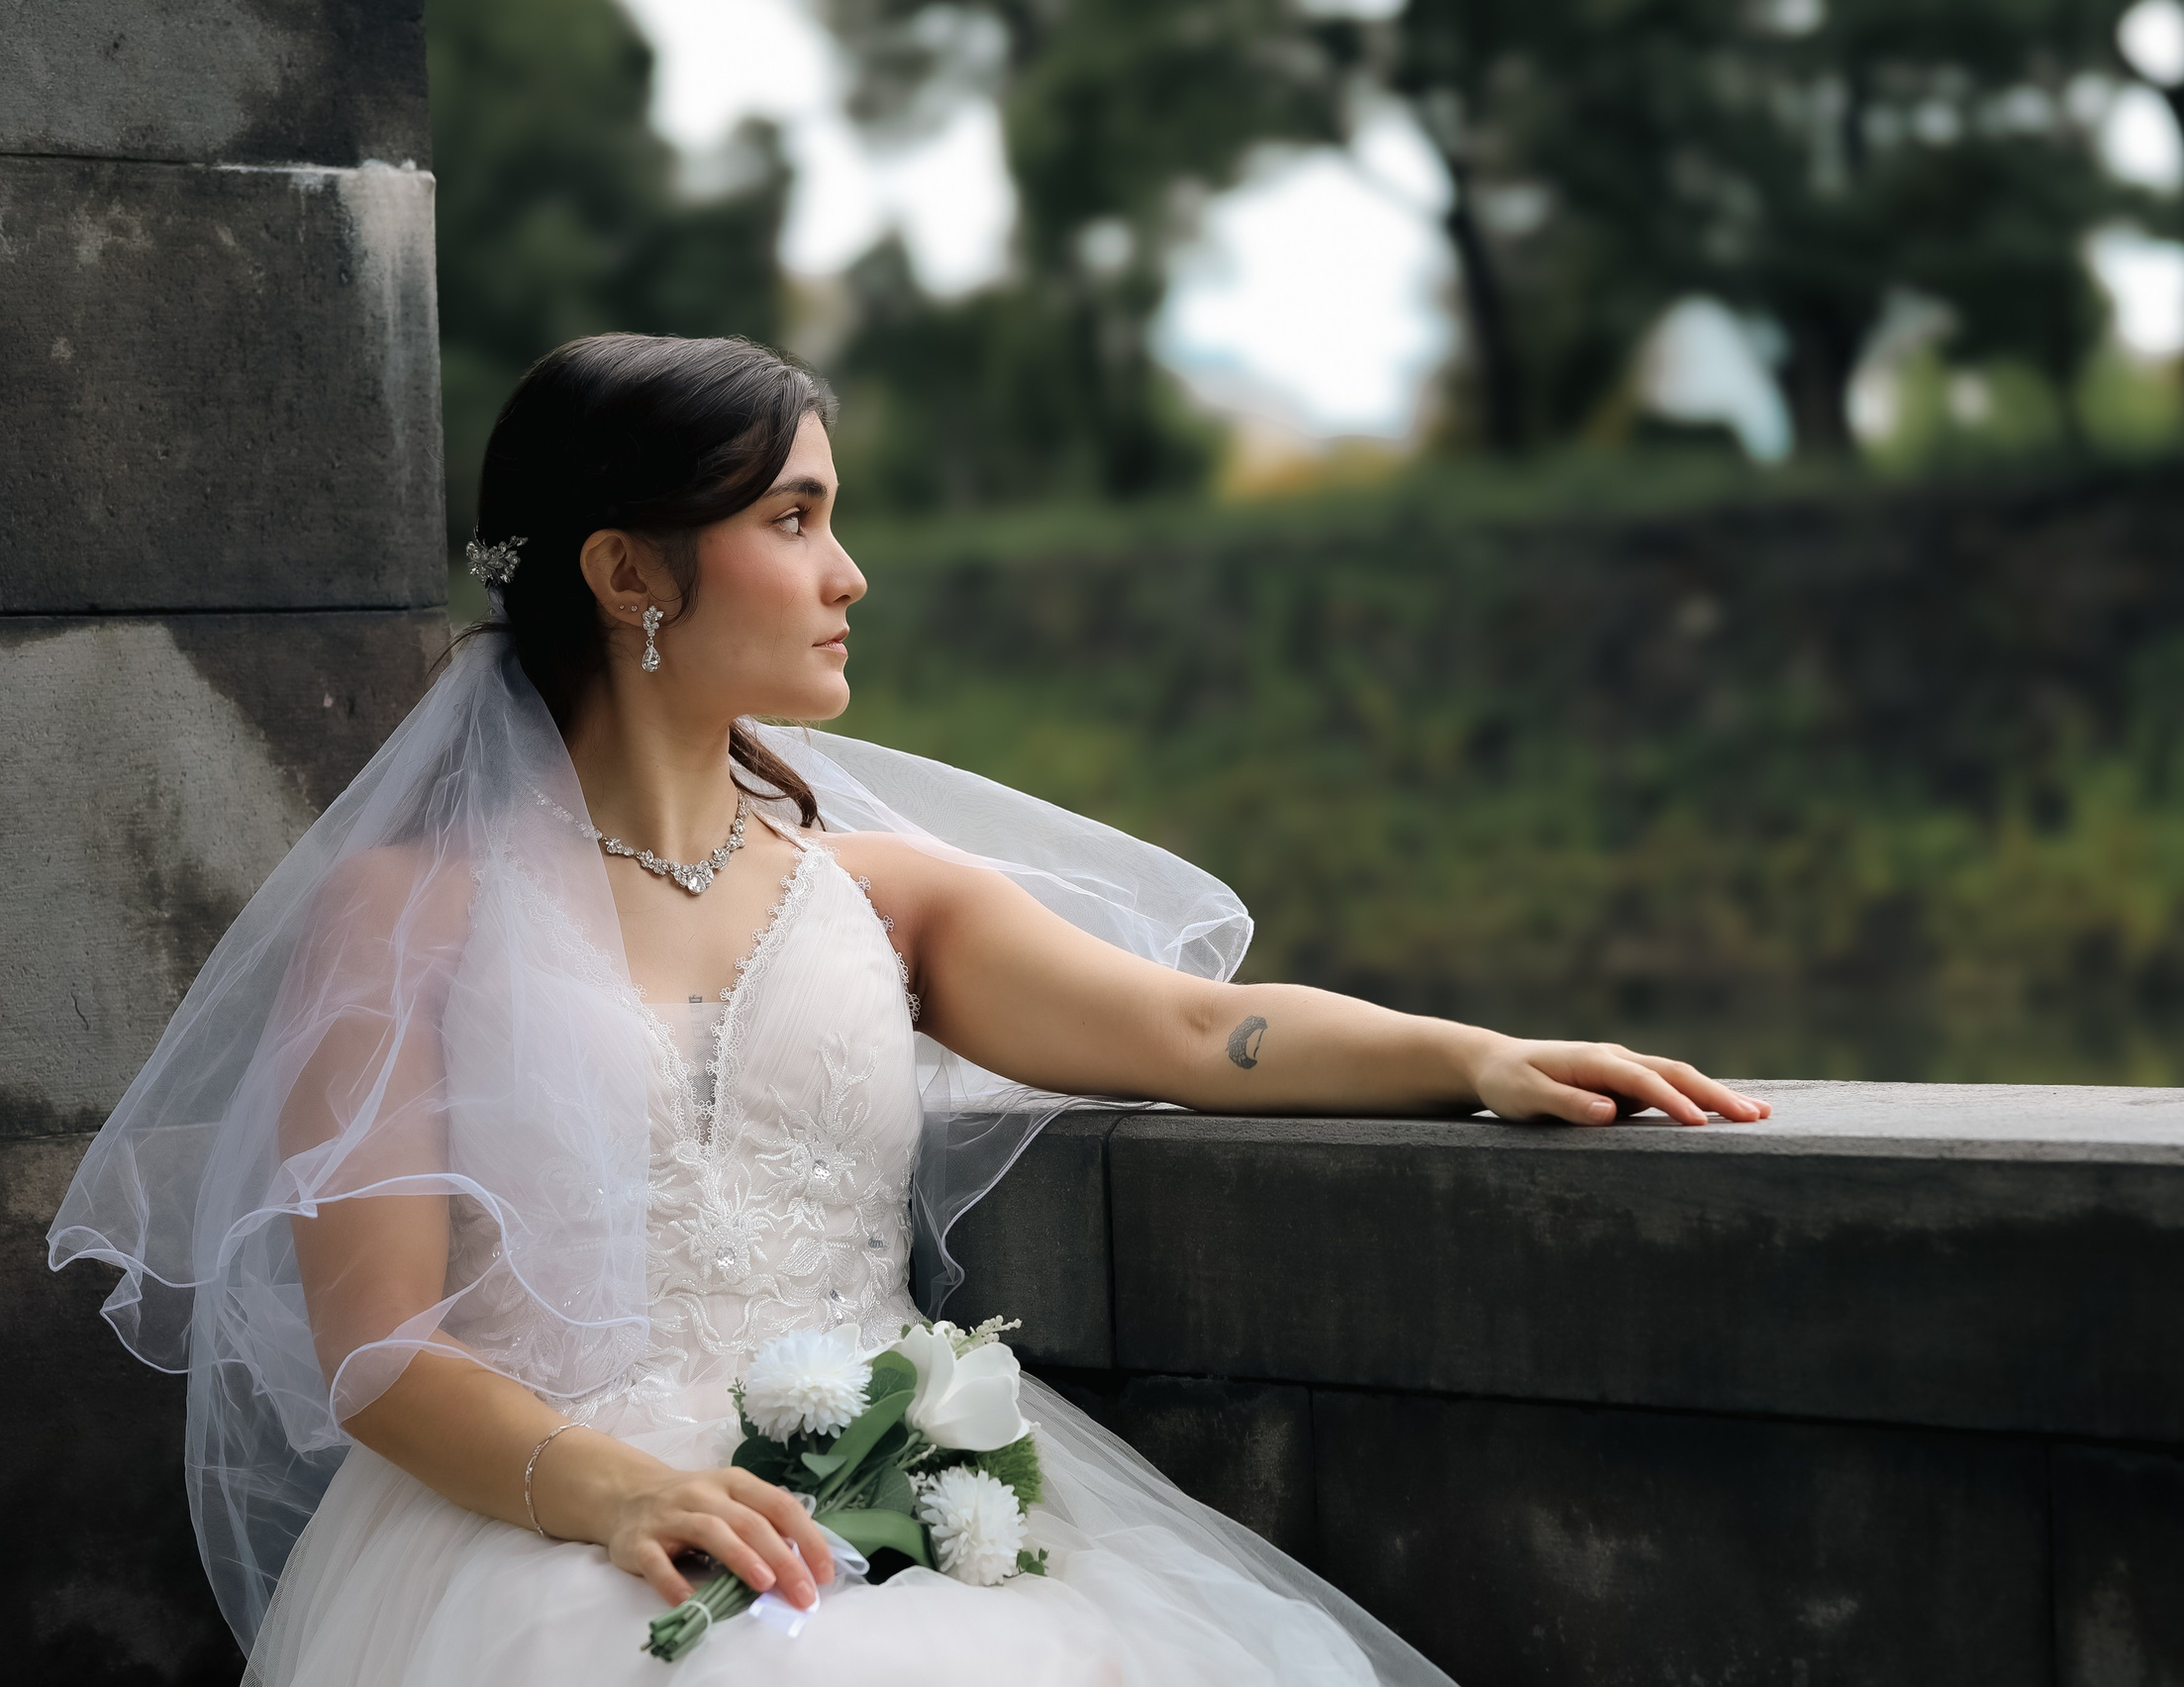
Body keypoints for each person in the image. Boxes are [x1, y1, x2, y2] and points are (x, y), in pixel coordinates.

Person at [50, 334, 1767, 1686]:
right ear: (631, 575)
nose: (848, 571)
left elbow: (1187, 1035)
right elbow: (375, 1350)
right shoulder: (408, 916)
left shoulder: (876, 893)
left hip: (904, 1492)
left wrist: (1466, 1055)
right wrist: (617, 1492)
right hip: (551, 1530)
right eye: (793, 520)